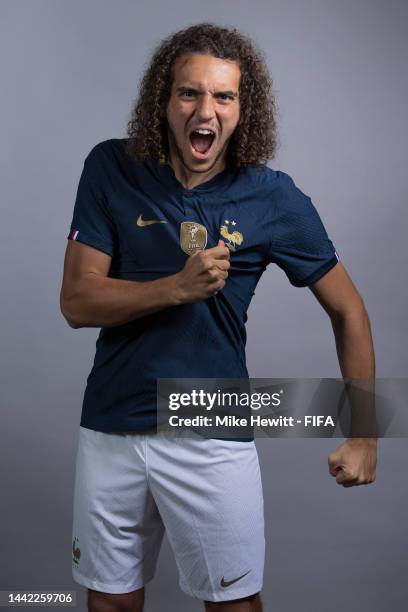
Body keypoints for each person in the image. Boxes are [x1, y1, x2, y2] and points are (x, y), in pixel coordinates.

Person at [60, 22, 377, 612]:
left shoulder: (273, 197)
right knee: (109, 603)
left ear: (242, 108)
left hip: (211, 419)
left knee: (232, 605)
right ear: (164, 101)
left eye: (223, 96)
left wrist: (365, 435)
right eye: (189, 93)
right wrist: (177, 288)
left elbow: (350, 311)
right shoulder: (112, 167)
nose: (205, 109)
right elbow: (77, 302)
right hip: (111, 420)